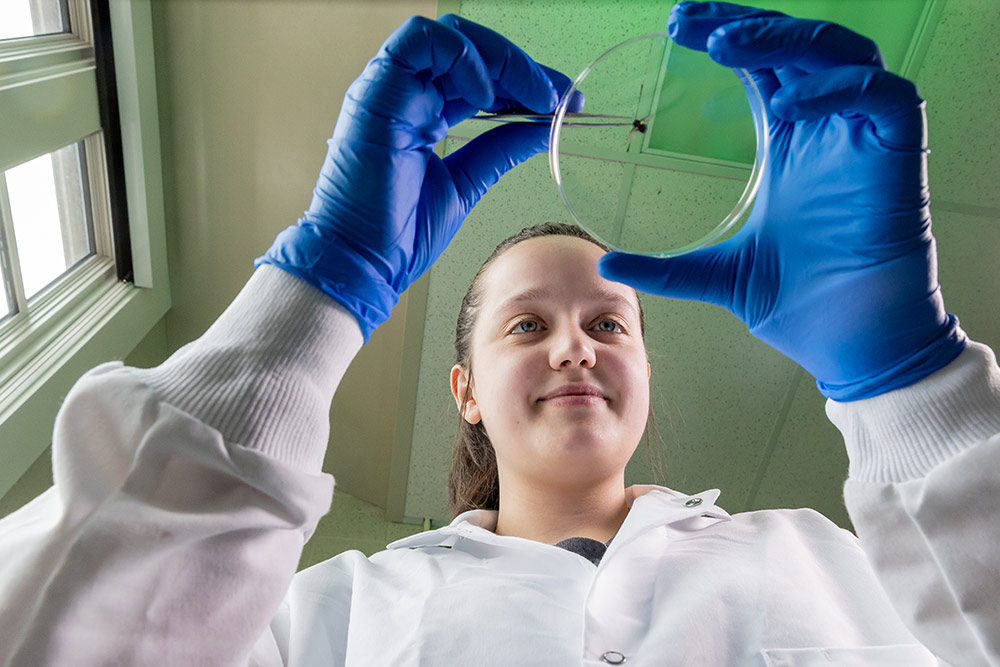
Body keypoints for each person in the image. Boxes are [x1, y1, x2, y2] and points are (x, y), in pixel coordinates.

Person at [0, 1, 998, 665]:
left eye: (610, 322)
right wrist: (311, 301)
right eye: (528, 324)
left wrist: (912, 388)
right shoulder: (326, 614)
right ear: (465, 389)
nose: (577, 345)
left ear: (645, 370)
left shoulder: (825, 557)